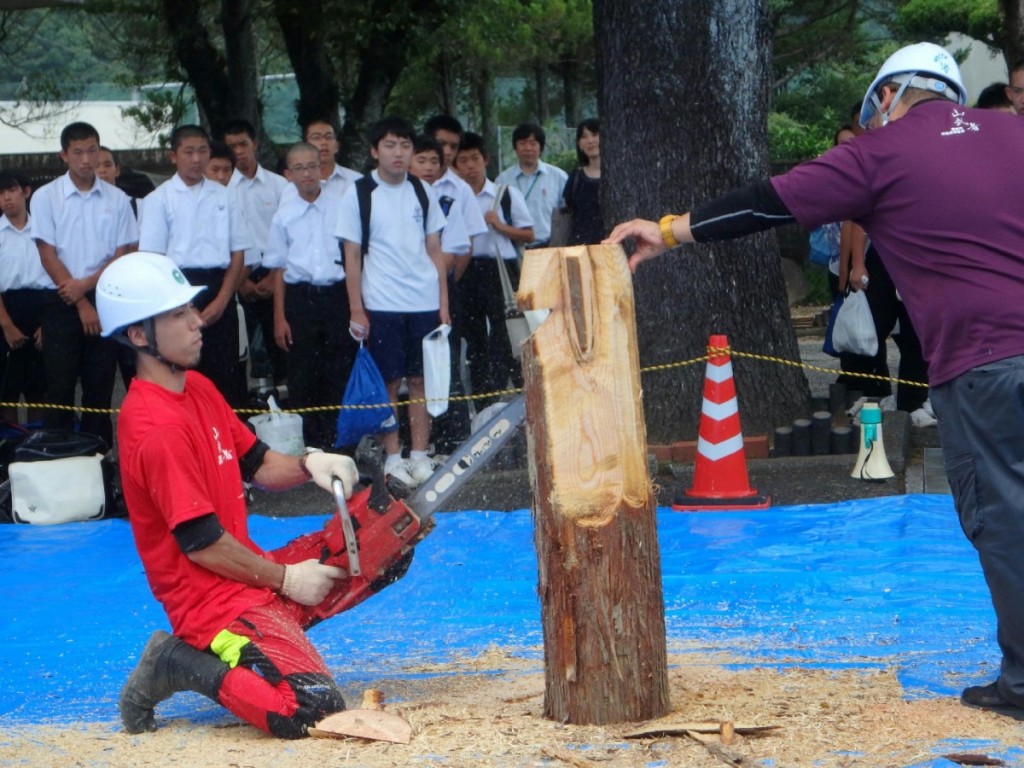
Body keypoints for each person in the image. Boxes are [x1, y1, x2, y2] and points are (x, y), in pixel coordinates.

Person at [607, 42, 1024, 716]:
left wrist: (668, 231)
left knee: (1004, 514)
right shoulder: (1013, 131)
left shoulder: (878, 154)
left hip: (984, 360)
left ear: (887, 97)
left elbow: (768, 203)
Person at [97, 251, 359, 738]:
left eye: (190, 309)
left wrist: (310, 463)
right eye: (178, 314)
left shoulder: (195, 387)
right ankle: (179, 663)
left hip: (248, 573)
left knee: (379, 543)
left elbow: (258, 463)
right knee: (311, 709)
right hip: (211, 605)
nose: (197, 322)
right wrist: (285, 579)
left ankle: (273, 628)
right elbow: (203, 543)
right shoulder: (155, 430)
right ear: (138, 335)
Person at [336, 116, 449, 488]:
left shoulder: (423, 190)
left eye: (404, 146)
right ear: (374, 151)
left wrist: (442, 303)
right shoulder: (359, 192)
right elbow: (352, 255)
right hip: (381, 301)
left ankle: (420, 455)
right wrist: (356, 308)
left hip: (424, 299)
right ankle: (393, 457)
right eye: (389, 145)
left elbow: (435, 248)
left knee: (421, 379)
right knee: (389, 381)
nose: (398, 153)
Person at [31, 121, 139, 446]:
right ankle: (56, 453)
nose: (86, 159)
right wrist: (79, 300)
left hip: (104, 293)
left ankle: (98, 456)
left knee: (100, 384)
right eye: (77, 152)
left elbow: (123, 252)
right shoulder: (45, 197)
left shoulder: (118, 198)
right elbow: (46, 253)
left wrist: (88, 289)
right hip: (60, 296)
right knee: (60, 384)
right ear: (64, 155)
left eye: (92, 150)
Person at [139, 124, 251, 407]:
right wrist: (184, 307)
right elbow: (154, 260)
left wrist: (223, 300)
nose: (197, 158)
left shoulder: (225, 195)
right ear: (173, 156)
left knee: (225, 376)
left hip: (220, 288)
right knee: (184, 376)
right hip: (177, 291)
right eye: (189, 152)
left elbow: (238, 253)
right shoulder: (159, 199)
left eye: (202, 151)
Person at [264, 143, 357, 450]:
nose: (307, 174)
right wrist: (279, 317)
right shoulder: (283, 216)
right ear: (288, 174)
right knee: (303, 373)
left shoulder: (342, 206)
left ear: (322, 168)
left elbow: (355, 256)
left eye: (312, 166)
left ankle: (340, 444)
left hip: (336, 296)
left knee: (339, 369)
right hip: (299, 298)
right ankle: (312, 446)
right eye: (299, 169)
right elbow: (277, 269)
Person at [453, 132, 534, 403]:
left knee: (506, 330)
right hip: (466, 270)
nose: (469, 167)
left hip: (500, 270)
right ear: (454, 166)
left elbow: (529, 234)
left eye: (474, 159)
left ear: (485, 159)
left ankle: (511, 391)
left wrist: (499, 226)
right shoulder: (455, 198)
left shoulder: (505, 194)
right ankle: (481, 398)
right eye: (462, 161)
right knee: (472, 336)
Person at [224, 118, 290, 393]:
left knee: (281, 347)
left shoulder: (279, 186)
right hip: (234, 276)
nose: (239, 151)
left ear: (255, 144)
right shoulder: (222, 188)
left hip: (275, 273)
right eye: (232, 146)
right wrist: (239, 282)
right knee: (238, 349)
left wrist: (275, 277)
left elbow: (289, 236)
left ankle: (285, 407)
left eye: (243, 144)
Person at [0, 170, 52, 422]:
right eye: (1, 193)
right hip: (5, 311)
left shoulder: (44, 230)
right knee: (6, 392)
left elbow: (55, 277)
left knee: (39, 391)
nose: (6, 198)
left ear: (26, 192)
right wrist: (7, 325)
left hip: (41, 309)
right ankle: (9, 450)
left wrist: (47, 323)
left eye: (11, 190)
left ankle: (36, 447)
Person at [495, 123, 567, 248]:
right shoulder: (503, 180)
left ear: (541, 147)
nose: (528, 148)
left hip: (549, 246)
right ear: (515, 147)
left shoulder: (558, 177)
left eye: (533, 143)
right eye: (522, 143)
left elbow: (567, 215)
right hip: (515, 248)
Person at [559, 117, 603, 245]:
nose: (590, 141)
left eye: (594, 134)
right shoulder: (576, 176)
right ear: (579, 144)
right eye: (584, 137)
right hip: (580, 247)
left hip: (614, 247)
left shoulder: (618, 176)